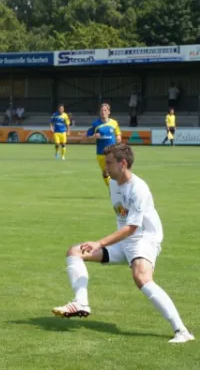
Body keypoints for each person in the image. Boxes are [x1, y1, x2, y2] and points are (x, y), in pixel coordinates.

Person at [51, 144, 194, 343]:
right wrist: (106, 167)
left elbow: (132, 228)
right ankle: (81, 302)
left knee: (141, 277)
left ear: (123, 163)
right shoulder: (113, 182)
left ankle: (182, 331)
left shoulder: (138, 188)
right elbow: (107, 177)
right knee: (75, 252)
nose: (106, 167)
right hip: (125, 243)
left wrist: (99, 243)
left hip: (144, 239)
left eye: (109, 163)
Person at [85, 103, 121, 187]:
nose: (103, 112)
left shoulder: (114, 123)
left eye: (105, 110)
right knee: (105, 173)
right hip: (101, 153)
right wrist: (94, 137)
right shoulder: (95, 124)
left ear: (109, 112)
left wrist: (118, 138)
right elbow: (87, 138)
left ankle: (116, 189)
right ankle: (111, 189)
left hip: (112, 153)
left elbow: (118, 133)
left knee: (115, 171)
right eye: (101, 110)